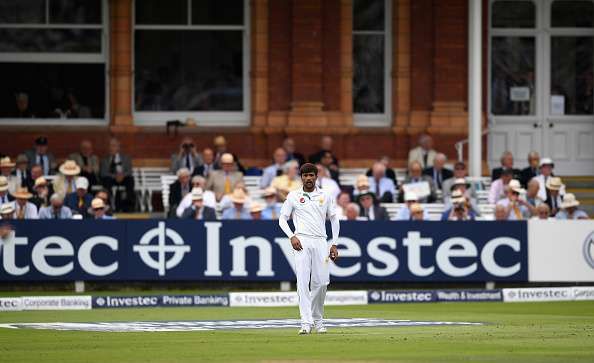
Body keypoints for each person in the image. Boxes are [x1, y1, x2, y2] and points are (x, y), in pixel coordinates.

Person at [278, 163, 340, 334]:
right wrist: (292, 236)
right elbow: (282, 219)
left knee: (321, 283)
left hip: (321, 241)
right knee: (303, 282)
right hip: (302, 241)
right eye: (305, 176)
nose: (308, 178)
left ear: (316, 177)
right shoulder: (294, 196)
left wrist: (334, 243)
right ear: (301, 177)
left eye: (311, 175)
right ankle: (306, 322)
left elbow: (334, 220)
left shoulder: (325, 195)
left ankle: (317, 319)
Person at [99, 138, 135, 212]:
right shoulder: (105, 159)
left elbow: (129, 171)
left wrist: (122, 175)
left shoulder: (126, 158)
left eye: (114, 146)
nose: (111, 148)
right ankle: (109, 205)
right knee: (106, 180)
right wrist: (115, 176)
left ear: (118, 147)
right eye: (110, 146)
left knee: (130, 180)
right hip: (111, 179)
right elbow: (103, 173)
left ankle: (128, 206)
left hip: (124, 178)